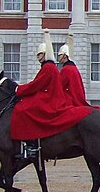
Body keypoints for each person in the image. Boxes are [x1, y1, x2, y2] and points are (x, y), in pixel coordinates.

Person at [10, 30, 94, 160]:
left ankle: (32, 143)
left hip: (57, 97)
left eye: (39, 54)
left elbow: (38, 85)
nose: (38, 57)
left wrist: (19, 90)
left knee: (24, 109)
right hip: (57, 95)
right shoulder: (63, 68)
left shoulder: (57, 68)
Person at [57, 35, 91, 108]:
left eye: (60, 55)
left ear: (65, 56)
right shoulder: (73, 67)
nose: (58, 57)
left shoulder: (67, 69)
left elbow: (59, 85)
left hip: (70, 99)